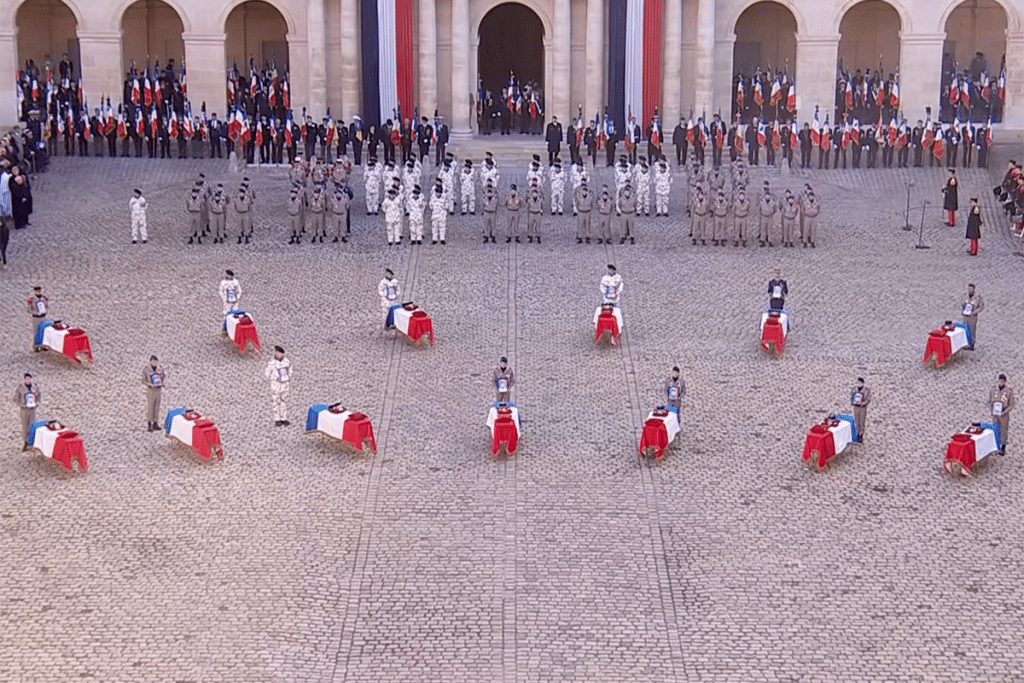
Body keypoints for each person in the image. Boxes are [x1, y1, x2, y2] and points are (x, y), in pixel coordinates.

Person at [264, 345, 292, 427]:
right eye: (278, 353)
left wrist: (288, 376)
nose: (280, 355)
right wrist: (275, 378)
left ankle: (284, 418)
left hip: (285, 385)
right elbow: (267, 374)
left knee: (284, 401)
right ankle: (277, 419)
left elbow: (290, 370)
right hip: (276, 385)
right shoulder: (272, 363)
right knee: (276, 402)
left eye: (281, 353)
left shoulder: (287, 362)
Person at [15, 372, 41, 450]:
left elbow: (38, 396)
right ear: (24, 379)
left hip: (32, 409)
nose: (28, 380)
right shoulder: (20, 388)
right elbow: (16, 399)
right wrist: (22, 405)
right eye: (26, 379)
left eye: (29, 379)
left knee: (32, 425)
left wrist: (37, 403)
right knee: (25, 426)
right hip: (24, 409)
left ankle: (31, 442)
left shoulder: (35, 387)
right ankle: (25, 443)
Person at [990, 373, 1014, 454]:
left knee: (1003, 430)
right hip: (995, 414)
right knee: (995, 429)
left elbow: (1012, 404)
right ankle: (995, 446)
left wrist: (1005, 411)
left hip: (1004, 415)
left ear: (1005, 382)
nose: (1001, 383)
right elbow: (989, 401)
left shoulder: (1008, 392)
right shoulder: (993, 390)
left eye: (1003, 381)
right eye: (1000, 381)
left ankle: (1003, 447)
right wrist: (992, 410)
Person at [142, 355, 166, 432]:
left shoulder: (160, 369)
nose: (155, 363)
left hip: (158, 389)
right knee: (150, 407)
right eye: (153, 361)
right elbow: (143, 380)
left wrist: (162, 381)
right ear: (150, 362)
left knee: (157, 406)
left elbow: (164, 377)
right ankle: (149, 423)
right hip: (151, 390)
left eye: (156, 362)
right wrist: (149, 384)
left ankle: (155, 422)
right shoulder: (146, 370)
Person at [961, 283, 984, 349]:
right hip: (965, 315)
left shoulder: (978, 297)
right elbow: (962, 303)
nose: (970, 290)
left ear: (974, 289)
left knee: (972, 329)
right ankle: (965, 343)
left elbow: (981, 307)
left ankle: (971, 344)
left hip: (973, 316)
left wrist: (974, 312)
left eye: (971, 289)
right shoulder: (965, 296)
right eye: (969, 289)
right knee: (965, 329)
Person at [27, 285, 49, 350]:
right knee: (36, 331)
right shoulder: (32, 299)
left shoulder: (44, 297)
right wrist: (34, 312)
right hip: (36, 317)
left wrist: (44, 310)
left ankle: (43, 345)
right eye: (37, 291)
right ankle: (36, 346)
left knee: (44, 330)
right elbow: (28, 309)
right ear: (34, 291)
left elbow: (47, 306)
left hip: (43, 316)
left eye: (39, 290)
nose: (38, 292)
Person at [850, 377, 871, 443]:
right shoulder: (854, 389)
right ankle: (857, 433)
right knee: (857, 421)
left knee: (862, 422)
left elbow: (868, 399)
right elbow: (851, 396)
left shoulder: (866, 390)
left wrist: (863, 403)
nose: (859, 384)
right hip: (856, 407)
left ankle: (861, 434)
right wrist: (852, 402)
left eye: (860, 383)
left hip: (862, 407)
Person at [526, 178, 543, 243]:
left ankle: (538, 237)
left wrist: (541, 211)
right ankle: (530, 236)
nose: (534, 182)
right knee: (530, 225)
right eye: (533, 181)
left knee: (538, 225)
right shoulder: (529, 189)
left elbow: (542, 201)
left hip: (538, 211)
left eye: (535, 181)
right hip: (531, 210)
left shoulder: (540, 189)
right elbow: (526, 197)